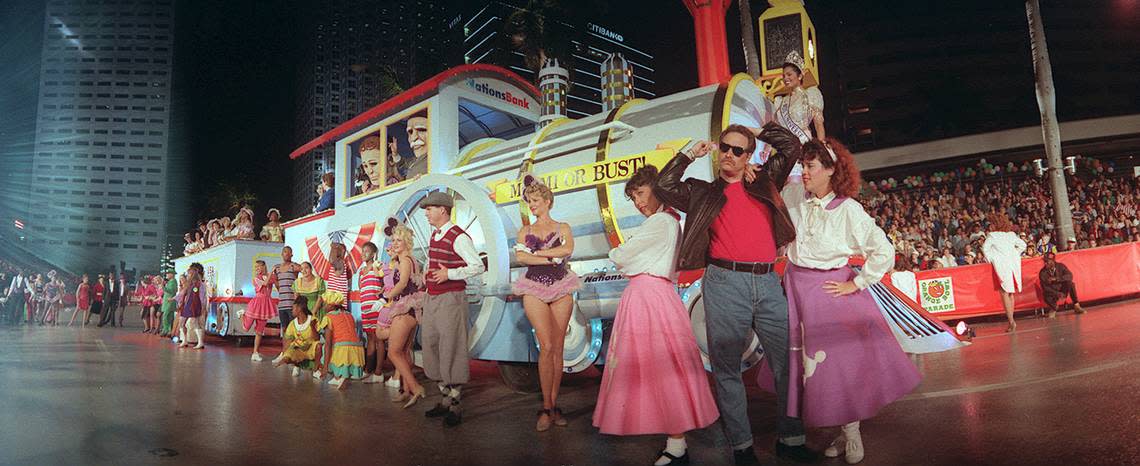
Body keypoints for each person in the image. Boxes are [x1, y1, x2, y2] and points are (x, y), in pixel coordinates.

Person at [654, 122, 817, 464]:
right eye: (725, 147)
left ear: (749, 156)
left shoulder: (765, 181)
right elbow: (664, 185)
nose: (729, 154)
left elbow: (791, 146)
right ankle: (742, 448)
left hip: (768, 281)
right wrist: (687, 154)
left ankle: (791, 439)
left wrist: (760, 128)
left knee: (787, 364)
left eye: (738, 150)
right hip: (724, 283)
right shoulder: (703, 192)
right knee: (727, 370)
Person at [769, 138, 918, 465]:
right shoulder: (794, 195)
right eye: (803, 165)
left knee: (835, 365)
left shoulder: (848, 209)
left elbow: (883, 250)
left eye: (811, 166)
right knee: (809, 370)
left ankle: (851, 431)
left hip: (828, 292)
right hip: (795, 286)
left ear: (831, 170)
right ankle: (839, 430)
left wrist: (858, 284)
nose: (804, 172)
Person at [593, 166, 719, 466]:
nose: (637, 201)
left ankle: (677, 445)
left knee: (661, 370)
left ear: (656, 190)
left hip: (649, 297)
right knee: (660, 371)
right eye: (633, 196)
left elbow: (621, 256)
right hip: (654, 296)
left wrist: (619, 255)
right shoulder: (667, 221)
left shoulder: (660, 221)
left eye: (640, 193)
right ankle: (676, 443)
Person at [511, 175, 582, 431]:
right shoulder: (525, 230)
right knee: (547, 345)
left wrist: (538, 255)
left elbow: (567, 251)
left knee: (559, 348)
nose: (532, 205)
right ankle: (546, 407)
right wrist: (548, 259)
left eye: (536, 201)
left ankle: (553, 404)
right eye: (529, 201)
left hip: (561, 286)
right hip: (533, 287)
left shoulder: (563, 227)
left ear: (548, 201)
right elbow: (520, 257)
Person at [420, 191, 485, 427]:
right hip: (433, 298)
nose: (426, 213)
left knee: (451, 348)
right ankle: (445, 399)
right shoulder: (435, 235)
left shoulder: (458, 236)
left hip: (451, 299)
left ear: (443, 210)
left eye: (430, 208)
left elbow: (477, 266)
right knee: (432, 346)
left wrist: (450, 273)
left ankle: (455, 404)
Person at [381, 225, 426, 406]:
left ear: (407, 242)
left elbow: (403, 283)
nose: (395, 243)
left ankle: (416, 388)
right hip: (410, 309)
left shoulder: (406, 260)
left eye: (399, 240)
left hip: (405, 308)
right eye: (394, 240)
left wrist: (386, 296)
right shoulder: (406, 259)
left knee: (393, 351)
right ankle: (407, 390)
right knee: (404, 351)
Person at [982, 213, 1026, 332]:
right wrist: (1014, 254)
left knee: (1004, 292)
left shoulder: (992, 236)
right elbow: (1023, 245)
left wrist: (993, 258)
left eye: (991, 224)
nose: (989, 226)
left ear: (995, 224)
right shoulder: (1011, 235)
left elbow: (985, 249)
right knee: (1010, 293)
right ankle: (1011, 321)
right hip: (1012, 265)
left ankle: (1011, 322)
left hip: (1001, 266)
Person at [774, 51, 825, 143]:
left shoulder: (810, 95)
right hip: (788, 147)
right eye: (783, 75)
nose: (785, 78)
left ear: (800, 76)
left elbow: (818, 125)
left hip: (805, 143)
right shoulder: (781, 101)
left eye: (789, 75)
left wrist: (821, 148)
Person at [319, 291, 365, 389]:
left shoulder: (328, 317)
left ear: (331, 305)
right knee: (339, 348)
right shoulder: (349, 314)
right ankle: (339, 377)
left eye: (325, 304)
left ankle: (339, 376)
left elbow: (328, 343)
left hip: (342, 348)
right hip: (357, 348)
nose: (323, 306)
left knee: (325, 348)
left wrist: (325, 368)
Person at [357, 241, 388, 384]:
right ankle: (368, 369)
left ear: (374, 253)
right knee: (369, 337)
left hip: (377, 308)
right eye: (362, 251)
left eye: (367, 251)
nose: (364, 254)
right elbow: (362, 289)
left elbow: (386, 284)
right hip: (366, 309)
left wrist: (381, 297)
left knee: (379, 338)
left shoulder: (378, 266)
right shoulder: (361, 272)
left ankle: (378, 372)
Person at [274, 296, 321, 377]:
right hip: (299, 349)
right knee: (291, 349)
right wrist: (285, 356)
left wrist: (312, 327)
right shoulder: (292, 324)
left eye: (293, 308)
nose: (292, 311)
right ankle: (297, 365)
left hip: (310, 348)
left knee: (319, 346)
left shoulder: (313, 320)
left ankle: (316, 370)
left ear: (299, 309)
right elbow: (288, 342)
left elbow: (317, 338)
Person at [241, 260, 276, 361]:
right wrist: (271, 273)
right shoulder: (255, 279)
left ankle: (255, 352)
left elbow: (275, 283)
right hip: (256, 303)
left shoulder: (270, 276)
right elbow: (265, 284)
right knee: (246, 328)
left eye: (259, 266)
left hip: (266, 304)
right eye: (255, 267)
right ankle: (242, 315)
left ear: (264, 266)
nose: (257, 269)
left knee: (259, 331)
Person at [271, 246, 301, 352]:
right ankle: (285, 352)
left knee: (294, 329)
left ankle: (294, 352)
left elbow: (303, 269)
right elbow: (278, 286)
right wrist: (274, 279)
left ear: (291, 254)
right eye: (284, 252)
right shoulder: (278, 268)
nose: (286, 254)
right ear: (282, 254)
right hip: (282, 303)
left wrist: (296, 265)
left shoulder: (293, 266)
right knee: (284, 329)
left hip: (292, 304)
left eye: (289, 252)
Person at [1039, 251, 1084, 318]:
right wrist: (1057, 293)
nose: (1045, 263)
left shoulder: (1061, 266)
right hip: (1052, 291)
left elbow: (1070, 276)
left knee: (1071, 284)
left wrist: (1057, 279)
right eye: (1044, 261)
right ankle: (1053, 308)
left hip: (1062, 289)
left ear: (1053, 261)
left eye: (1047, 261)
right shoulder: (1042, 272)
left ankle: (1076, 305)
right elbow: (1045, 287)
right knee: (1045, 294)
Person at [177, 263, 209, 349]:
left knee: (196, 323)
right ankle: (184, 340)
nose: (188, 275)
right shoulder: (189, 284)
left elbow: (201, 297)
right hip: (187, 305)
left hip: (194, 306)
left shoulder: (199, 285)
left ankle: (200, 342)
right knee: (181, 323)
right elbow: (182, 294)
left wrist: (202, 306)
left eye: (190, 273)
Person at [159, 270, 178, 337]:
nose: (167, 275)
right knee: (169, 317)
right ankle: (168, 331)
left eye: (168, 274)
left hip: (170, 302)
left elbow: (172, 291)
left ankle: (166, 330)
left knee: (166, 316)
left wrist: (163, 287)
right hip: (167, 302)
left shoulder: (173, 282)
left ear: (172, 274)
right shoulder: (170, 281)